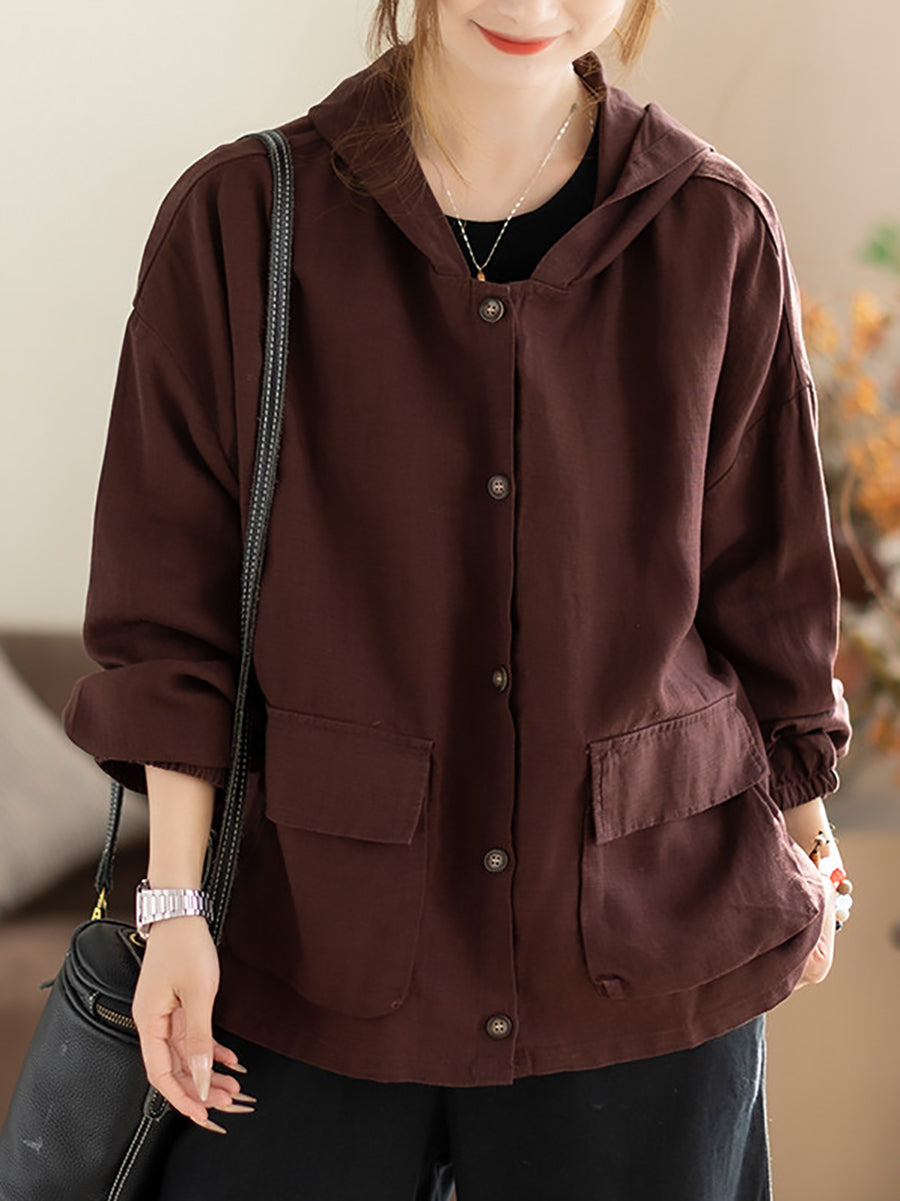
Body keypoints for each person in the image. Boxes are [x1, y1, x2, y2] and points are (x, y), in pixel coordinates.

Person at [61, 1, 855, 1198]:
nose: (530, 5)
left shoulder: (716, 228)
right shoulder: (241, 219)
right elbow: (170, 610)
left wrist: (811, 847)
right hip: (309, 952)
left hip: (651, 955)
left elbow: (771, 589)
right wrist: (173, 905)